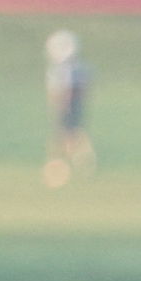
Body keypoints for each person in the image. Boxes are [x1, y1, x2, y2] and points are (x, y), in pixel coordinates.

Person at [44, 31, 94, 185]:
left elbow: (65, 91)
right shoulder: (76, 67)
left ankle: (61, 170)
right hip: (72, 106)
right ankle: (77, 164)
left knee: (66, 137)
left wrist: (62, 105)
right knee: (70, 136)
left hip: (67, 107)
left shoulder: (67, 69)